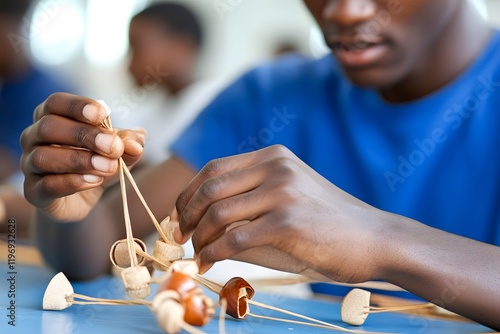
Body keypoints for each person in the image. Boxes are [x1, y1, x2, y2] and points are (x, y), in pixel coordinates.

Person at [20, 0, 500, 330]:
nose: (342, 11)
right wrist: (68, 198)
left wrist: (383, 241)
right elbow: (101, 243)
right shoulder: (266, 97)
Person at [114, 3, 219, 165]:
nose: (129, 64)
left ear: (180, 48)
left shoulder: (212, 104)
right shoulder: (158, 109)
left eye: (137, 48)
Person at [0, 0, 71, 236]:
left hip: (31, 222)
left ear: (17, 30)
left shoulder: (51, 95)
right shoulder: (8, 89)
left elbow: (9, 163)